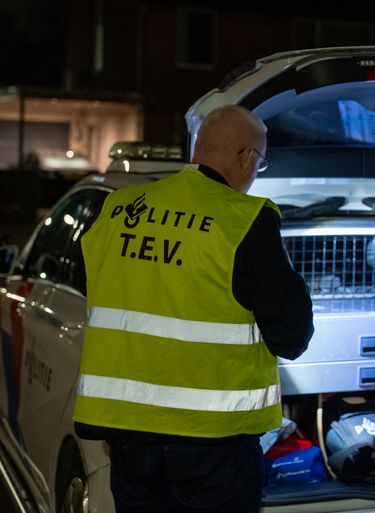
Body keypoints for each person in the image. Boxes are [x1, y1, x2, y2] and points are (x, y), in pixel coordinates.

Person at [73, 105, 314, 513]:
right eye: (261, 161)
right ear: (246, 157)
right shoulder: (243, 219)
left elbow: (96, 289)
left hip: (128, 440)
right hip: (214, 448)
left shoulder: (118, 209)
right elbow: (291, 336)